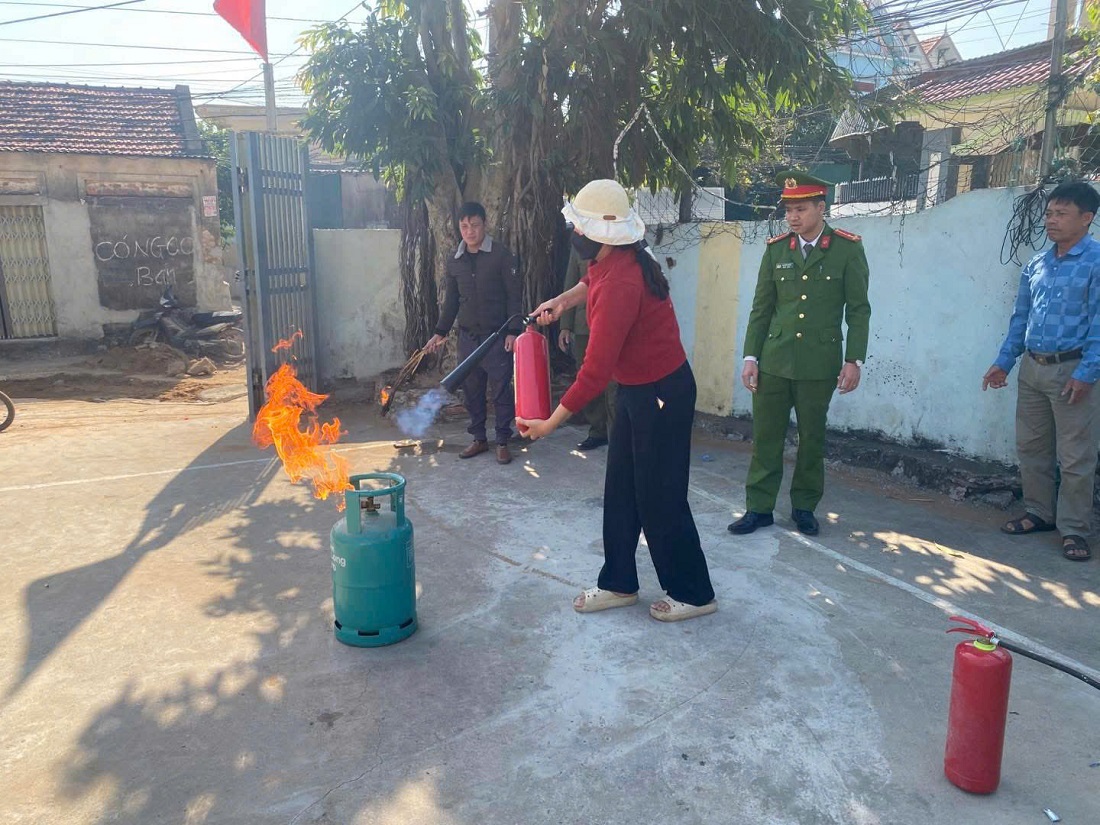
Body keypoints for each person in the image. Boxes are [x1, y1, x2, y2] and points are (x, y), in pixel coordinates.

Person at [517, 179, 717, 622]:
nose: (575, 234)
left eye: (581, 228)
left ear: (602, 235)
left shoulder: (623, 282)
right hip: (636, 390)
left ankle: (695, 593)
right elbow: (590, 280)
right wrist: (561, 301)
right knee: (622, 488)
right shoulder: (616, 258)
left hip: (662, 394)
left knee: (660, 495)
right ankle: (619, 582)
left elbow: (594, 371)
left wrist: (549, 423)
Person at [728, 171, 871, 537]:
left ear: (821, 208)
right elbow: (762, 308)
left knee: (812, 439)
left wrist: (853, 360)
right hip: (775, 360)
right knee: (766, 438)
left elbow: (858, 309)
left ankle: (804, 507)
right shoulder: (776, 249)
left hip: (819, 363)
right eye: (788, 210)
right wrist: (750, 357)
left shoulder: (847, 249)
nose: (792, 217)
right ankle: (759, 508)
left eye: (801, 209)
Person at [982, 180, 1100, 562]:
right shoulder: (1037, 264)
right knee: (1032, 447)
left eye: (1061, 213)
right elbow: (1021, 318)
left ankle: (1075, 530)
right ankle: (1039, 512)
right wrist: (1004, 362)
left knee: (1075, 456)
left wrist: (1087, 372)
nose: (1051, 220)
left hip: (1073, 371)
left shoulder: (1096, 262)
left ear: (1087, 217)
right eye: (1049, 213)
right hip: (1033, 368)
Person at [426, 202, 522, 465]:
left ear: (484, 224)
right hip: (468, 338)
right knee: (472, 391)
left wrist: (513, 331)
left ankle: (502, 441)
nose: (470, 231)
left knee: (501, 390)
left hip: (497, 337)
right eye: (464, 226)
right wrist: (439, 332)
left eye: (475, 225)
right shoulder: (454, 261)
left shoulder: (501, 255)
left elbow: (514, 295)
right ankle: (479, 438)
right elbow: (451, 301)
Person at [558, 246, 617, 450]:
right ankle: (597, 430)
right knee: (587, 378)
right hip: (584, 324)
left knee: (614, 383)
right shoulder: (579, 246)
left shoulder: (618, 244)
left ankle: (617, 433)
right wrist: (565, 325)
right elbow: (571, 283)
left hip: (612, 324)